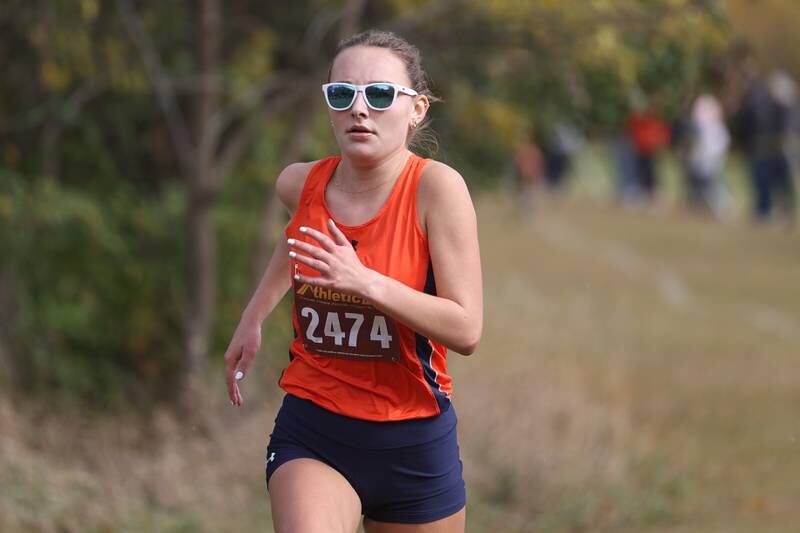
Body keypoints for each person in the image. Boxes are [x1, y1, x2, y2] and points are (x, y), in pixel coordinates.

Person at [223, 29, 483, 533]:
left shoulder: (437, 190)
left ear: (417, 108)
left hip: (412, 440)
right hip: (315, 428)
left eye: (380, 94)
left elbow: (467, 328)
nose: (359, 109)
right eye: (341, 94)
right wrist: (253, 317)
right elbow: (297, 236)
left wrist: (366, 282)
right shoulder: (300, 183)